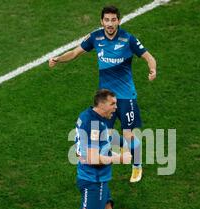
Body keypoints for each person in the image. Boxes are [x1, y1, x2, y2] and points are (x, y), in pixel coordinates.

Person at [49, 5, 157, 183]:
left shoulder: (128, 39)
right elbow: (76, 52)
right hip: (105, 98)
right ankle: (113, 155)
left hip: (125, 97)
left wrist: (152, 69)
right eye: (106, 20)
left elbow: (148, 57)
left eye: (113, 20)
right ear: (101, 21)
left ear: (119, 21)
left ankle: (137, 166)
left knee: (129, 134)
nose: (110, 23)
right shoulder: (95, 37)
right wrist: (57, 59)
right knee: (104, 132)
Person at [40, 89, 132, 209]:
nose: (115, 108)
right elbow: (91, 158)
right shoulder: (94, 124)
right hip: (93, 181)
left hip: (98, 180)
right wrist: (119, 158)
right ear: (101, 104)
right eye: (112, 104)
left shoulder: (89, 115)